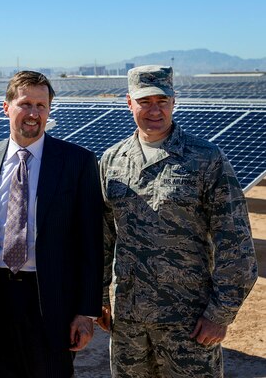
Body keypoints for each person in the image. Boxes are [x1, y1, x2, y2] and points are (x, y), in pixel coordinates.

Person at [97, 65, 258, 377]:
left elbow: (235, 243)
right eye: (145, 101)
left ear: (174, 102)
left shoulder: (205, 158)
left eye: (162, 100)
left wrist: (220, 313)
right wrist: (100, 297)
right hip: (128, 323)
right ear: (129, 103)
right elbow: (102, 238)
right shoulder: (112, 160)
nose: (154, 110)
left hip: (189, 324)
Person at [0, 70, 104, 378]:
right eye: (25, 103)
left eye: (41, 106)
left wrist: (86, 312)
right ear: (6, 107)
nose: (33, 113)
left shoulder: (77, 162)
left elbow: (91, 243)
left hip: (51, 298)